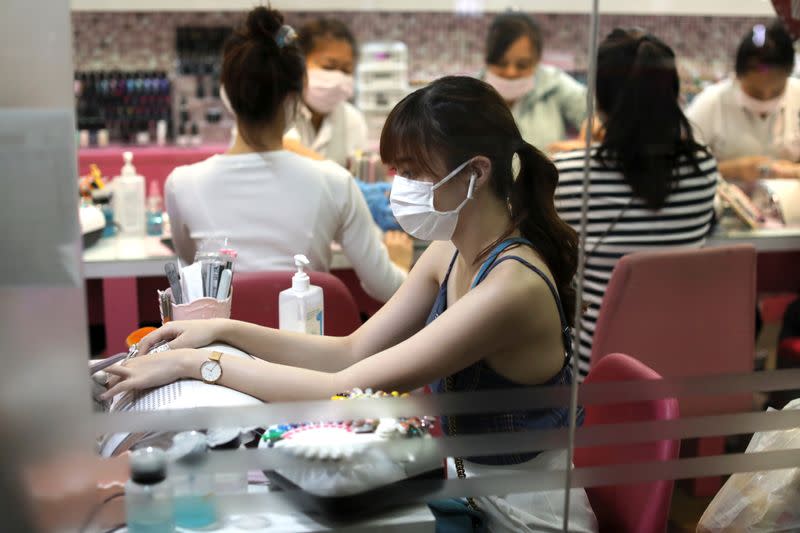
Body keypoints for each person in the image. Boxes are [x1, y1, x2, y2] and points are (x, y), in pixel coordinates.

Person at [104, 71, 598, 530]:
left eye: (415, 172)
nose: (400, 188)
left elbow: (342, 387)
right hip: (468, 489)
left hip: (522, 513)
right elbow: (352, 350)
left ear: (477, 173)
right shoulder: (447, 253)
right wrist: (222, 331)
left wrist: (197, 364)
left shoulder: (512, 287)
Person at [165, 8, 407, 303]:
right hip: (308, 343)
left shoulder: (181, 185)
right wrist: (400, 261)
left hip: (219, 347)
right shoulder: (337, 183)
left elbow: (197, 272)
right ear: (296, 96)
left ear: (225, 93)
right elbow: (388, 289)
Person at [553, 29, 719, 378]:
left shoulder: (569, 175)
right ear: (672, 95)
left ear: (599, 102)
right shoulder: (703, 168)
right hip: (679, 366)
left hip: (594, 373)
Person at [686, 22, 800, 181]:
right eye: (755, 92)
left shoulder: (797, 95)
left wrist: (792, 170)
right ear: (737, 77)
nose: (766, 98)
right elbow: (681, 168)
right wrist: (734, 170)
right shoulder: (711, 102)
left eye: (776, 92)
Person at [483, 12, 587, 151]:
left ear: (537, 61)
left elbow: (600, 118)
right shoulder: (467, 94)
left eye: (522, 65)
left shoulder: (554, 84)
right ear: (487, 59)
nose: (511, 72)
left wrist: (584, 143)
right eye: (501, 64)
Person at [284, 17, 368, 166]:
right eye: (329, 66)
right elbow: (283, 147)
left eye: (346, 70)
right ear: (299, 64)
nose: (338, 77)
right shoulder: (276, 112)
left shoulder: (352, 120)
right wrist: (337, 175)